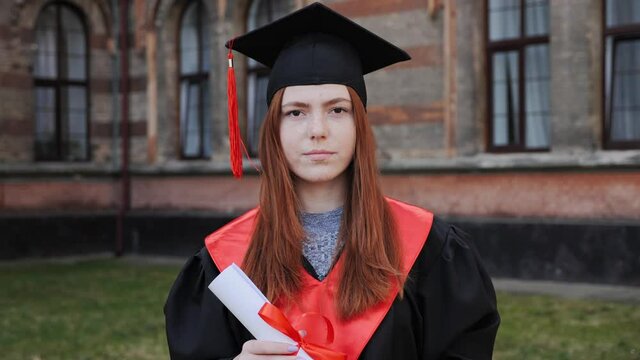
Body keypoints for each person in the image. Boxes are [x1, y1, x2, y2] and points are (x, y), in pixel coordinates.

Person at [164, 3, 500, 359]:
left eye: (338, 110)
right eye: (295, 112)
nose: (318, 131)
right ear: (273, 131)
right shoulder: (226, 262)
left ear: (360, 126)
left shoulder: (429, 250)